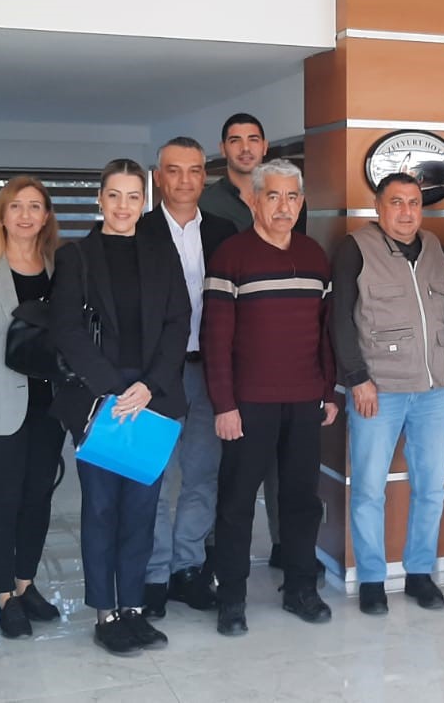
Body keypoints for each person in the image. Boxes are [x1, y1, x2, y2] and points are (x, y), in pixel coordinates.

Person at [49, 158, 191, 655]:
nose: (123, 206)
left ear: (143, 202)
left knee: (142, 509)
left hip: (151, 399)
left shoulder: (161, 253)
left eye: (133, 197)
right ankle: (104, 612)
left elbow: (179, 322)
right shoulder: (76, 257)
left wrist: (149, 386)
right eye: (114, 196)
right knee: (101, 507)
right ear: (100, 199)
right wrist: (113, 389)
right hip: (98, 399)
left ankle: (132, 606)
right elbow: (67, 329)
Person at [204, 159, 338, 637]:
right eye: (274, 196)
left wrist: (327, 391)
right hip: (248, 403)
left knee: (302, 500)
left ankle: (300, 589)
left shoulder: (314, 254)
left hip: (304, 400)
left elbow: (325, 333)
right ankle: (231, 598)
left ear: (301, 202)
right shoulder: (231, 255)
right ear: (255, 200)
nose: (284, 207)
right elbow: (215, 338)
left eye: (292, 197)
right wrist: (224, 404)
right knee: (237, 502)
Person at [332, 172, 444, 616]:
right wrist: (357, 378)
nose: (406, 211)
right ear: (378, 208)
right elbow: (340, 318)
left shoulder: (434, 248)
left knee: (432, 488)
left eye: (414, 202)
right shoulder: (355, 248)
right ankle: (371, 579)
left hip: (432, 391)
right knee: (368, 489)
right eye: (396, 202)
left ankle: (420, 573)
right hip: (378, 390)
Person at [0, 177, 66, 640]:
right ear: (0, 215)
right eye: (15, 206)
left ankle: (26, 584)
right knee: (3, 501)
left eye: (35, 206)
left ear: (46, 216)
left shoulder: (60, 268)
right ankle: (5, 596)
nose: (25, 215)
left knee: (39, 496)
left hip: (50, 404)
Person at [196, 112, 305, 572]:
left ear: (264, 146)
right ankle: (216, 554)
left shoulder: (289, 200)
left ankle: (284, 546)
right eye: (235, 140)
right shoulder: (209, 203)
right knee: (228, 469)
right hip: (228, 347)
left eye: (253, 139)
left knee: (284, 471)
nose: (245, 147)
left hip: (281, 359)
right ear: (223, 149)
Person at [139, 138, 237, 618]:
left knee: (202, 476)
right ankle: (154, 574)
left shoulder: (223, 232)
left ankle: (188, 569)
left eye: (194, 170)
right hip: (155, 375)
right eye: (173, 170)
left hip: (208, 370)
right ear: (159, 177)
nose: (184, 180)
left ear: (204, 176)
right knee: (152, 478)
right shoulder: (137, 230)